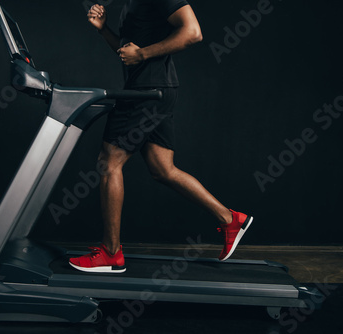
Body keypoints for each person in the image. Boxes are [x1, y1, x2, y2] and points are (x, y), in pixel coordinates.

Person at [69, 0, 253, 273]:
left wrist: (142, 54)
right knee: (162, 169)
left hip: (148, 92)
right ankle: (230, 219)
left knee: (109, 163)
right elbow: (127, 53)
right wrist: (104, 30)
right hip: (155, 90)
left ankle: (110, 253)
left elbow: (193, 32)